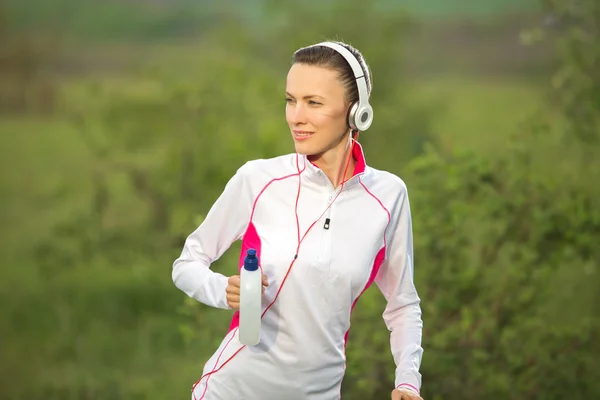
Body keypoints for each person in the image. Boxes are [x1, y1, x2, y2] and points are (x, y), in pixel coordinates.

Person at [172, 40, 424, 400]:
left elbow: (402, 304)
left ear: (356, 112)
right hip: (231, 391)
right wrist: (222, 291)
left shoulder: (388, 197)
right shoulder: (258, 180)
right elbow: (186, 264)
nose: (295, 116)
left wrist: (407, 380)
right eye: (291, 100)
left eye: (314, 103)